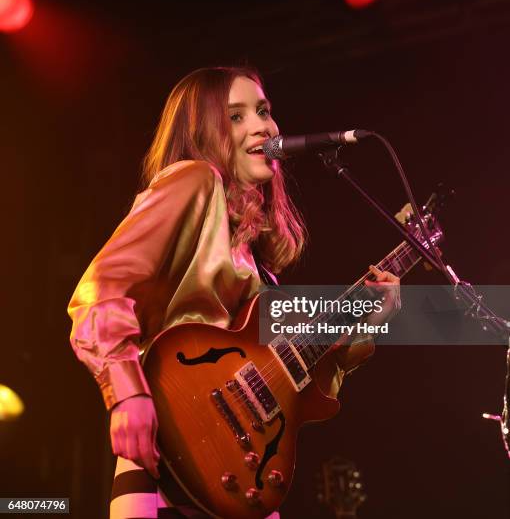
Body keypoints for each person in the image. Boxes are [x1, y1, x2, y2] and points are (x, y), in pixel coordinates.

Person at [67, 66, 400, 519]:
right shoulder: (194, 180)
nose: (263, 125)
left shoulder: (255, 257)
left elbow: (297, 388)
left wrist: (364, 320)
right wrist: (126, 392)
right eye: (237, 116)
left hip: (242, 478)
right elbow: (101, 290)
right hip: (169, 462)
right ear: (203, 134)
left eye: (263, 111)